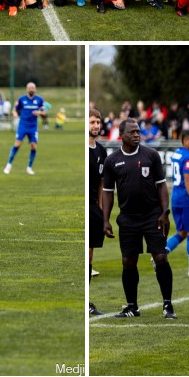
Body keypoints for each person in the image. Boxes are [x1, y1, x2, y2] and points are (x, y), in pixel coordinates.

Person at [101, 119, 176, 319]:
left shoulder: (151, 155)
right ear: (122, 135)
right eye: (132, 132)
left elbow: (161, 185)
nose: (136, 135)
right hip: (127, 218)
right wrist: (105, 219)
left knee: (160, 257)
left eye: (138, 132)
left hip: (152, 216)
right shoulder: (112, 160)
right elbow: (108, 192)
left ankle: (168, 305)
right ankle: (132, 306)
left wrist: (164, 212)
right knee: (128, 261)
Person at [165, 130, 189, 276]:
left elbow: (183, 180)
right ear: (186, 141)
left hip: (176, 197)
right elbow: (187, 180)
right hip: (186, 201)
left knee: (181, 232)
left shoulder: (177, 153)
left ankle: (160, 255)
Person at [4, 82, 45, 175]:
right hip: (22, 126)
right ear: (26, 89)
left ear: (35, 89)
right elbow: (15, 109)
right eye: (30, 88)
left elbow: (44, 112)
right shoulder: (21, 99)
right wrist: (14, 113)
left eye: (33, 88)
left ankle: (29, 167)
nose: (31, 89)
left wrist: (39, 112)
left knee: (34, 146)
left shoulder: (39, 100)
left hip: (33, 127)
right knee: (17, 144)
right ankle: (9, 165)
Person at [88, 111, 105, 309]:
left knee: (90, 255)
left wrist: (100, 208)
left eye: (97, 122)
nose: (95, 125)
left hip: (94, 207)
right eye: (92, 122)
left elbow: (101, 182)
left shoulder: (101, 151)